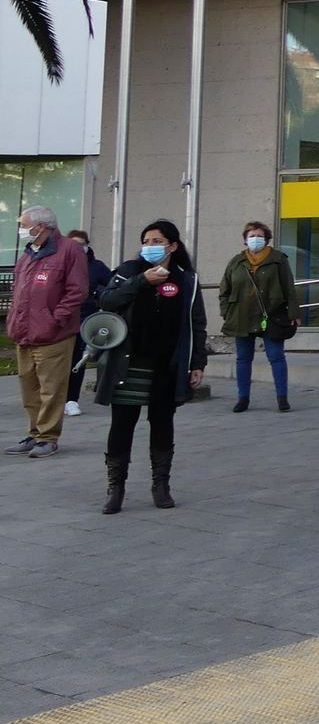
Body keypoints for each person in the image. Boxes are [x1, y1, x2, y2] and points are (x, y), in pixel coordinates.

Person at [95, 219, 209, 512]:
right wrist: (142, 281)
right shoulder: (129, 271)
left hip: (166, 364)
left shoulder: (186, 279)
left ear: (172, 246)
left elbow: (196, 323)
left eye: (157, 242)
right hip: (130, 363)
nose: (150, 247)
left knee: (162, 423)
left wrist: (197, 363)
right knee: (122, 424)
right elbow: (107, 300)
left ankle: (161, 485)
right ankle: (115, 488)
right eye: (146, 241)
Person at [5, 205, 88, 458]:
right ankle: (34, 434)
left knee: (51, 388)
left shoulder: (69, 250)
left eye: (24, 225)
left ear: (40, 226)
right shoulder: (29, 253)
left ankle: (48, 438)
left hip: (53, 335)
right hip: (24, 333)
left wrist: (55, 320)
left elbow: (77, 291)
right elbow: (19, 291)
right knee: (29, 388)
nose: (21, 229)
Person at [216, 220, 298, 414]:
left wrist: (294, 313)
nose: (255, 239)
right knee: (243, 358)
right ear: (245, 240)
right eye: (251, 236)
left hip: (272, 314)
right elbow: (224, 289)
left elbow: (289, 287)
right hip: (241, 316)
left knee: (276, 357)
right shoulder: (237, 261)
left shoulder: (278, 259)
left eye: (259, 236)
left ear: (267, 239)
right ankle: (242, 398)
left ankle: (282, 398)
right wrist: (226, 312)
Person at [63, 229, 113, 417]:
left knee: (78, 360)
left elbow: (111, 288)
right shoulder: (60, 263)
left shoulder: (96, 267)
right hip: (61, 321)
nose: (78, 248)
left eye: (81, 244)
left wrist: (95, 294)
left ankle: (71, 400)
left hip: (84, 321)